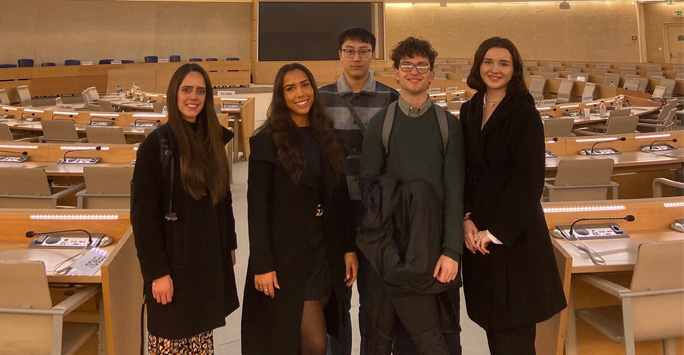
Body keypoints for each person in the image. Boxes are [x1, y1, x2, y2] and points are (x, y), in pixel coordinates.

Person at [241, 63, 359, 355]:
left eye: (305, 85)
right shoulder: (266, 141)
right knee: (314, 342)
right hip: (287, 255)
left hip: (323, 248)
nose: (300, 93)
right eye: (290, 88)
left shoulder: (327, 135)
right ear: (281, 96)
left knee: (317, 331)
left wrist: (348, 248)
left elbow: (340, 198)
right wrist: (262, 264)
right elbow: (257, 208)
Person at [459, 37, 567, 355]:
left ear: (514, 70)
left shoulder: (524, 112)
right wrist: (466, 218)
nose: (495, 69)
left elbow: (529, 180)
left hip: (513, 233)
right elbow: (462, 169)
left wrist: (495, 232)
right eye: (489, 62)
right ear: (479, 65)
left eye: (504, 63)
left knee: (515, 331)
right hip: (476, 229)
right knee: (493, 322)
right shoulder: (469, 110)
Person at [359, 36, 464, 355]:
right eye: (407, 65)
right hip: (393, 253)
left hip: (436, 253)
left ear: (432, 74)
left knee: (439, 337)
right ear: (396, 73)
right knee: (390, 337)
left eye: (422, 65)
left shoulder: (449, 126)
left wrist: (452, 251)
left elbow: (455, 191)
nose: (414, 71)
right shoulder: (381, 123)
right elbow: (370, 191)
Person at [131, 63, 239, 355]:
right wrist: (157, 273)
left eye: (201, 91)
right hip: (173, 268)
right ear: (174, 94)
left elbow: (223, 196)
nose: (194, 97)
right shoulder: (156, 146)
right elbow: (144, 219)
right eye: (187, 90)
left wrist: (229, 243)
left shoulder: (212, 140)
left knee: (201, 343)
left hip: (204, 265)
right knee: (171, 340)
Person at [319, 26, 399, 355]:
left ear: (373, 55)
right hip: (334, 216)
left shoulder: (391, 98)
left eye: (363, 50)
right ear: (339, 55)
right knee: (336, 304)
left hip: (376, 215)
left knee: (375, 304)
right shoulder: (320, 98)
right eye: (349, 50)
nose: (356, 57)